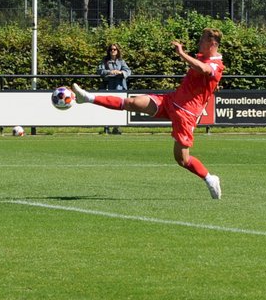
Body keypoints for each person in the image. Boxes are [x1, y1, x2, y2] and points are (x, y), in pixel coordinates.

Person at [73, 28, 225, 199]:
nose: (199, 42)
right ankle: (88, 97)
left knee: (182, 160)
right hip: (170, 101)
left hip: (186, 113)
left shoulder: (216, 64)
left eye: (202, 39)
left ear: (212, 43)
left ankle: (209, 178)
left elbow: (204, 69)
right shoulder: (202, 56)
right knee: (132, 102)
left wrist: (182, 54)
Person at [97, 42, 132, 134]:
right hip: (108, 87)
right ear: (108, 51)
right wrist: (110, 72)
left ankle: (116, 128)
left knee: (119, 107)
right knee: (106, 107)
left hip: (119, 87)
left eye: (114, 49)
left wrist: (120, 72)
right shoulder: (104, 61)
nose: (113, 51)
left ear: (117, 51)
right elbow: (100, 71)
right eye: (111, 49)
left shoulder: (121, 61)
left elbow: (128, 71)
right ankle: (106, 128)